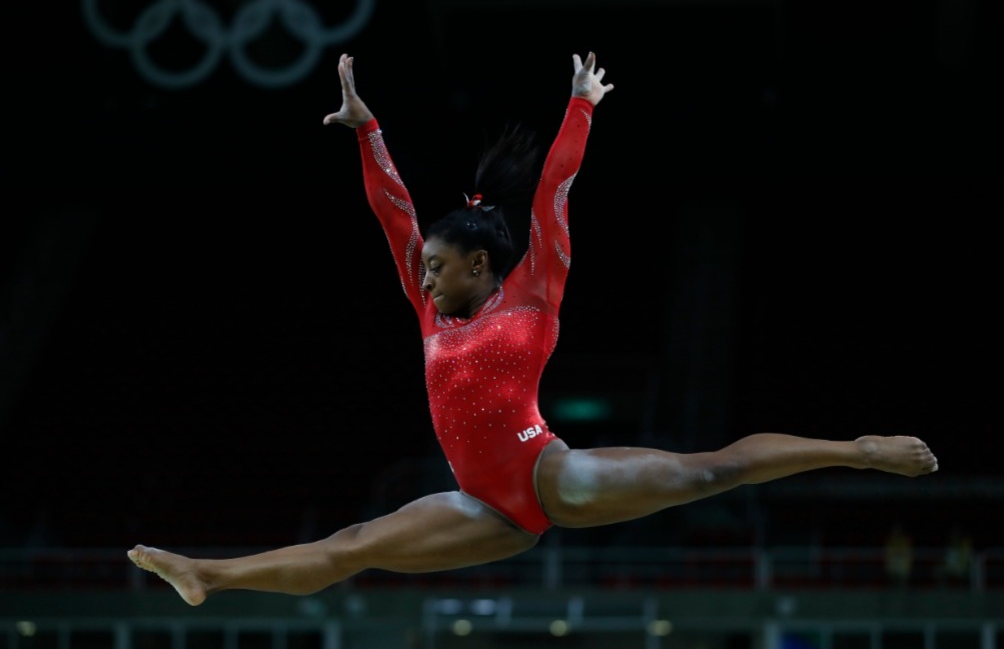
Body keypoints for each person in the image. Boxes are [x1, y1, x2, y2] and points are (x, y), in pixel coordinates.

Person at [127, 51, 940, 607]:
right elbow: (394, 214)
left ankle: (857, 447)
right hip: (485, 510)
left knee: (707, 473)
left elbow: (556, 185)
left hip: (548, 472)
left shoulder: (533, 292)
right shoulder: (428, 306)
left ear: (481, 264)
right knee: (355, 544)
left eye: (440, 268)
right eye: (426, 269)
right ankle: (207, 574)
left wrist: (580, 105)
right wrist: (369, 133)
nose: (427, 277)